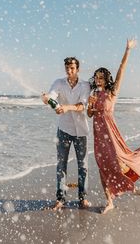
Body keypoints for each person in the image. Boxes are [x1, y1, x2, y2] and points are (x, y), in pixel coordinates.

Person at [87, 39, 140, 214]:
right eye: (96, 77)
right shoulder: (94, 94)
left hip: (111, 134)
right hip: (98, 136)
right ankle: (109, 201)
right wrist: (90, 106)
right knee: (102, 166)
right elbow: (90, 115)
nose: (97, 80)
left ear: (106, 79)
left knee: (118, 162)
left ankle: (129, 185)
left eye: (100, 77)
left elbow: (121, 70)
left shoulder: (112, 93)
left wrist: (127, 50)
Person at [42, 57, 91, 210]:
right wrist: (47, 99)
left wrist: (66, 107)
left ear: (78, 69)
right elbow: (52, 96)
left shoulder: (85, 85)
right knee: (61, 165)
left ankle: (82, 198)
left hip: (81, 131)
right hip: (63, 129)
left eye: (72, 68)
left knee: (83, 166)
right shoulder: (59, 83)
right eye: (67, 68)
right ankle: (60, 199)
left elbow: (82, 106)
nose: (69, 71)